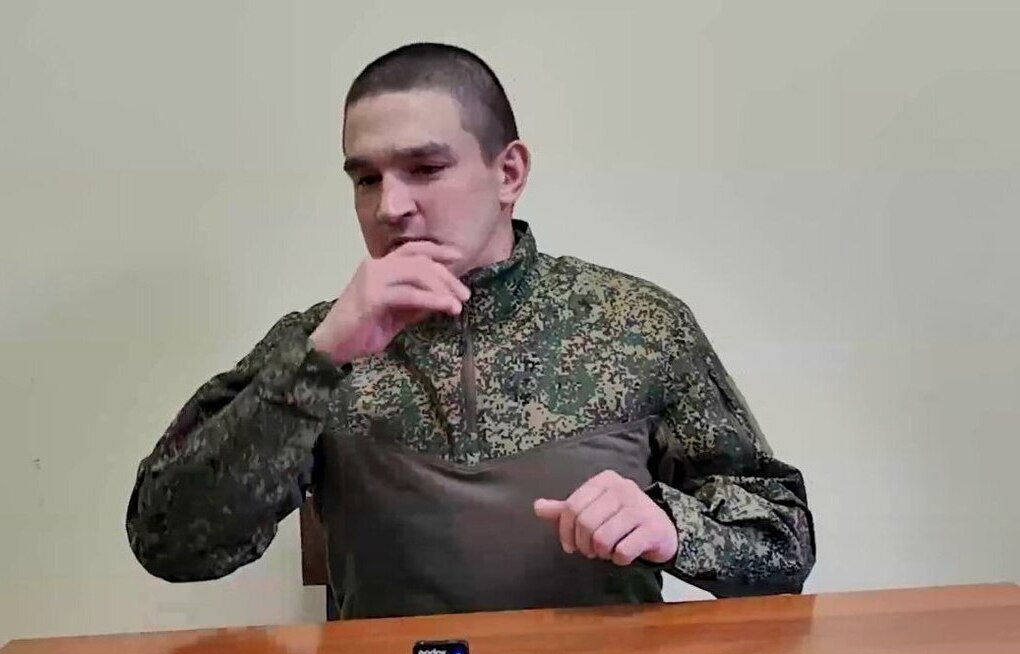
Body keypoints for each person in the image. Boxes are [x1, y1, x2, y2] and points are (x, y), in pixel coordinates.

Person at [126, 42, 815, 619]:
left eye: (425, 169)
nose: (390, 207)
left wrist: (673, 528)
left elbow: (785, 543)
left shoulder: (636, 324)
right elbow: (169, 544)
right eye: (366, 179)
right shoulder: (318, 341)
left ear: (508, 172)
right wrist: (316, 364)